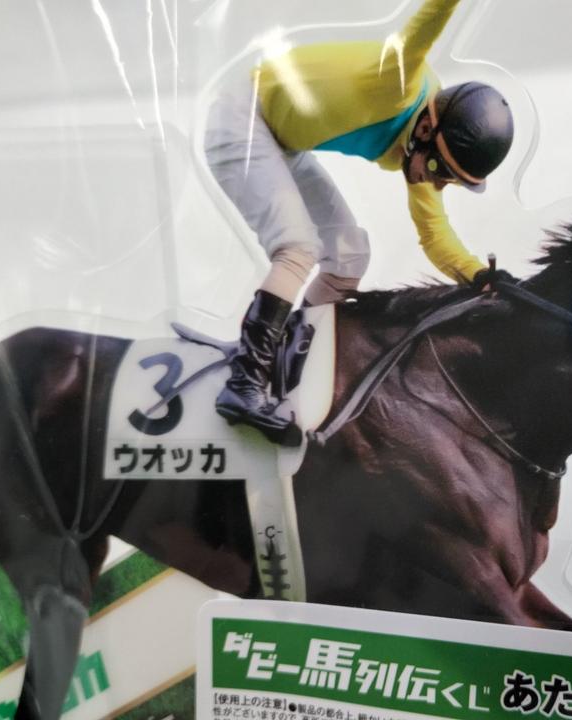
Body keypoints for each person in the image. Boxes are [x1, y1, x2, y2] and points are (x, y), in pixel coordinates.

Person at [204, 0, 515, 444]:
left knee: (349, 254)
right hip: (241, 118)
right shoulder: (398, 84)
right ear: (426, 129)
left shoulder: (424, 142)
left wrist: (480, 276)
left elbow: (433, 234)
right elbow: (426, 24)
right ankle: (244, 384)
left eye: (450, 179)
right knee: (298, 248)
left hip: (282, 140)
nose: (436, 183)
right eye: (440, 170)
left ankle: (289, 359)